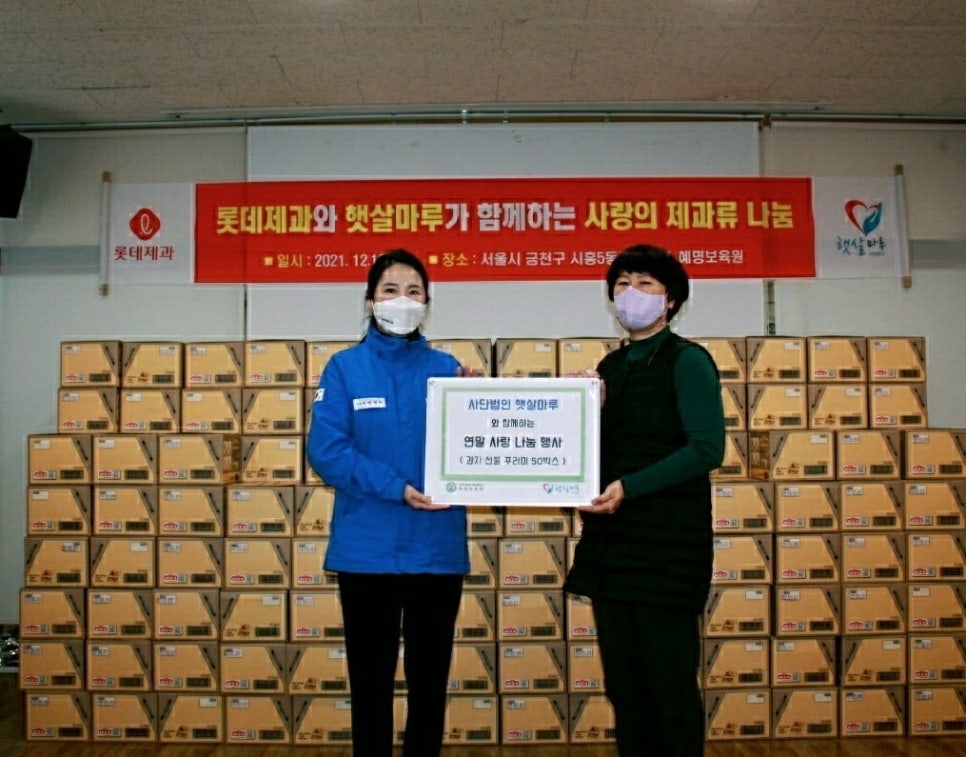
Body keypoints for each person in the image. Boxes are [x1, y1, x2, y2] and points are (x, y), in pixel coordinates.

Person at [306, 248, 468, 757]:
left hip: (436, 549)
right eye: (391, 290)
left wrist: (479, 401)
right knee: (370, 686)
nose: (403, 300)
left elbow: (474, 449)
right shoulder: (344, 369)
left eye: (414, 291)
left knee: (429, 686)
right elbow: (327, 451)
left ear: (428, 303)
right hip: (366, 551)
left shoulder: (450, 372)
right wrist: (396, 487)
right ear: (370, 300)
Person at [565, 243, 725, 757]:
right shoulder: (608, 369)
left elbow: (706, 448)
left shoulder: (688, 360)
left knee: (670, 687)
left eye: (645, 284)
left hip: (668, 547)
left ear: (670, 299)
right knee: (625, 687)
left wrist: (630, 487)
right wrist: (581, 413)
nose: (631, 293)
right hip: (614, 547)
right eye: (622, 284)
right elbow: (600, 452)